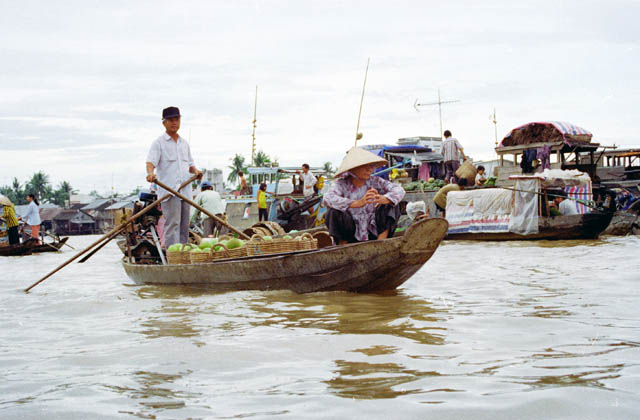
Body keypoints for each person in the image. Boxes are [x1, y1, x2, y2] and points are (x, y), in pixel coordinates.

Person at [323, 147, 405, 244]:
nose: (369, 169)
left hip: (372, 231)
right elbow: (328, 198)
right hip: (350, 233)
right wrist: (357, 203)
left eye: (371, 166)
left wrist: (384, 198)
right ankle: (342, 246)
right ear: (353, 168)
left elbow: (399, 190)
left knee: (392, 204)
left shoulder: (376, 181)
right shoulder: (341, 184)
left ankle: (380, 242)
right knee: (333, 212)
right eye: (365, 166)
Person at [146, 106, 202, 247]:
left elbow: (190, 164)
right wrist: (150, 174)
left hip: (185, 192)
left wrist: (196, 171)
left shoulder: (184, 144)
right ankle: (173, 255)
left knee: (184, 225)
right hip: (170, 192)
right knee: (173, 224)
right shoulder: (159, 143)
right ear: (164, 122)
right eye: (170, 120)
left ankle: (183, 254)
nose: (174, 123)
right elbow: (150, 162)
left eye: (176, 119)